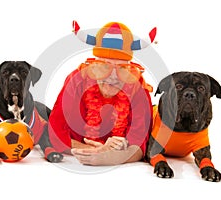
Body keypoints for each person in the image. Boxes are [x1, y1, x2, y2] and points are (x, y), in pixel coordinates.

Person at [48, 21, 155, 165]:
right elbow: (55, 134)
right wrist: (92, 150)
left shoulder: (138, 88)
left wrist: (109, 157)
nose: (113, 76)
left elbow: (140, 145)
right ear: (93, 66)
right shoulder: (76, 80)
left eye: (122, 68)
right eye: (104, 66)